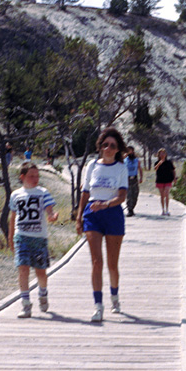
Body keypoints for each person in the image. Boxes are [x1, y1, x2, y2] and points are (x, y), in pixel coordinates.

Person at [76, 127, 128, 322]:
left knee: (112, 264)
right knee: (96, 261)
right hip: (92, 214)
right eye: (105, 144)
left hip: (112, 213)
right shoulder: (91, 166)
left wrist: (105, 204)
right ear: (100, 146)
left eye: (112, 146)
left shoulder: (121, 168)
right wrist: (79, 216)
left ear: (117, 149)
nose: (108, 148)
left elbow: (122, 196)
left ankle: (114, 296)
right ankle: (98, 305)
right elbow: (85, 192)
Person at [8, 162, 59, 318]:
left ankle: (43, 294)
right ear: (22, 177)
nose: (35, 179)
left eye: (37, 176)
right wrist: (10, 237)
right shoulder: (16, 195)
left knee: (41, 273)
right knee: (23, 269)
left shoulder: (43, 192)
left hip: (39, 239)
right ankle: (25, 305)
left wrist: (52, 217)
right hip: (21, 237)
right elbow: (13, 217)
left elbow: (50, 211)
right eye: (31, 176)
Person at [154, 148, 176, 216]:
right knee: (162, 195)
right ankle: (163, 210)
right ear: (159, 155)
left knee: (166, 194)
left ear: (166, 154)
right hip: (160, 180)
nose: (162, 154)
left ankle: (167, 209)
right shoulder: (157, 162)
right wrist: (159, 163)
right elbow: (155, 169)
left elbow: (173, 170)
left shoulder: (169, 162)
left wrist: (174, 178)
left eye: (164, 153)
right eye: (161, 153)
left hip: (168, 180)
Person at [123, 146, 143, 216]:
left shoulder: (136, 160)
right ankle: (129, 209)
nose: (129, 152)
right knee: (129, 194)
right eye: (128, 150)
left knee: (135, 194)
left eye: (130, 150)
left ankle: (132, 207)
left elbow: (140, 169)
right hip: (127, 178)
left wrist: (141, 177)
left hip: (134, 178)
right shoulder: (125, 160)